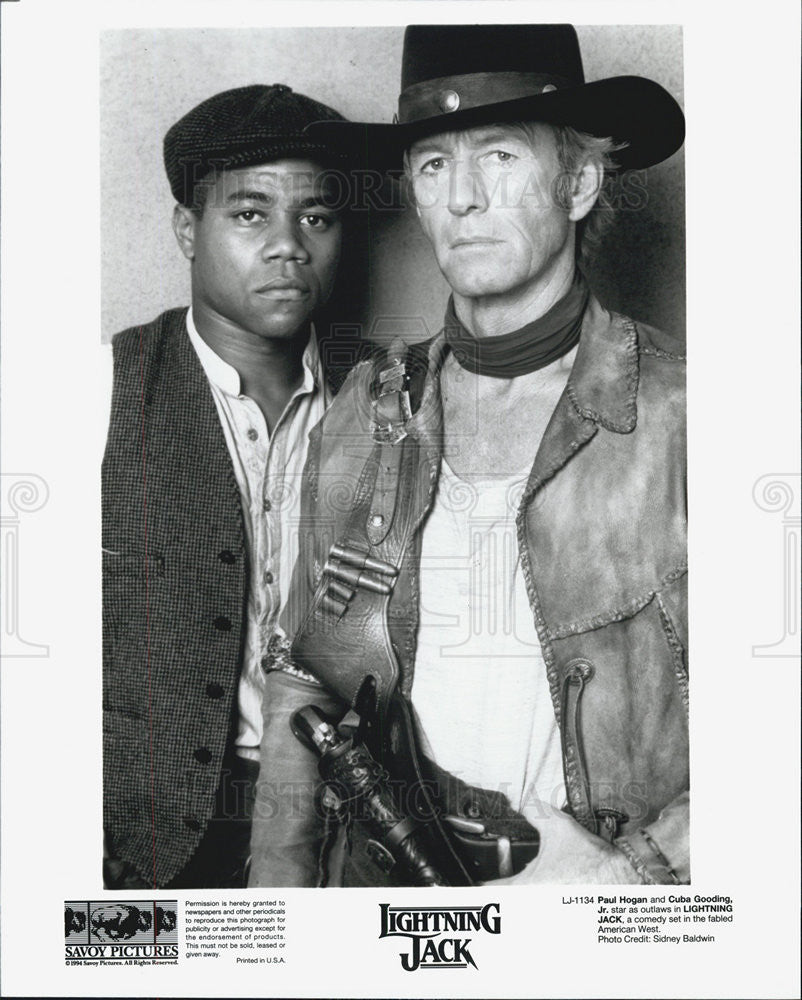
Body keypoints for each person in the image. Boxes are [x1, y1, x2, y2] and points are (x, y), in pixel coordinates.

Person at [248, 24, 688, 887]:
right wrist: (282, 923)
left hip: (593, 909)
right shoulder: (367, 411)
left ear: (580, 182)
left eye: (499, 156)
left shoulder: (688, 413)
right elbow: (304, 681)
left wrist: (635, 872)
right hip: (388, 893)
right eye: (434, 165)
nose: (463, 200)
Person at [102, 83, 371, 889]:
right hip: (143, 836)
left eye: (316, 217)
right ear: (189, 228)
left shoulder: (388, 401)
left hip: (345, 821)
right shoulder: (103, 389)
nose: (289, 245)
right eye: (250, 215)